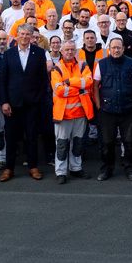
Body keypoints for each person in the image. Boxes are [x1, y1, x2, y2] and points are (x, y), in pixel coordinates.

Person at [0, 28, 52, 182]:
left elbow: (43, 80)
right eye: (22, 34)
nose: (25, 37)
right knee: (11, 137)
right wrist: (4, 102)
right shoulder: (9, 54)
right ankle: (9, 168)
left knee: (32, 136)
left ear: (32, 36)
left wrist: (39, 99)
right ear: (17, 36)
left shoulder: (39, 53)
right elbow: (3, 80)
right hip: (12, 104)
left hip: (32, 103)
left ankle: (33, 167)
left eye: (28, 34)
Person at [93, 38, 132, 181]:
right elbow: (95, 86)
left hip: (128, 110)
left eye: (119, 47)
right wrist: (98, 105)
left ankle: (130, 169)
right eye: (113, 47)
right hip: (107, 111)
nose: (116, 50)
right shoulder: (101, 64)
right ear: (109, 48)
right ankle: (106, 170)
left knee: (130, 142)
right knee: (107, 143)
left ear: (123, 48)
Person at [49, 41, 95, 184]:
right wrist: (79, 88)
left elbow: (89, 82)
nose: (69, 52)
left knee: (78, 143)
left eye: (72, 49)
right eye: (67, 49)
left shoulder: (83, 65)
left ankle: (76, 168)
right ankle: (61, 172)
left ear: (76, 51)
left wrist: (69, 82)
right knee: (62, 145)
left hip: (81, 113)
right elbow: (59, 90)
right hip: (63, 115)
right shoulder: (56, 68)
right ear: (61, 51)